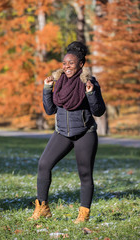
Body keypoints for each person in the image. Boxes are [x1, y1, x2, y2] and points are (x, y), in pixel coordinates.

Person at [29, 41, 106, 223]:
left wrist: (91, 93)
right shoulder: (60, 82)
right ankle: (43, 208)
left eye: (71, 63)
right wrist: (47, 89)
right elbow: (50, 110)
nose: (67, 66)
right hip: (61, 133)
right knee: (44, 164)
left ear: (81, 64)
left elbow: (98, 111)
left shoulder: (89, 82)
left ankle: (84, 214)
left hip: (85, 134)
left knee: (85, 174)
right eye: (64, 63)